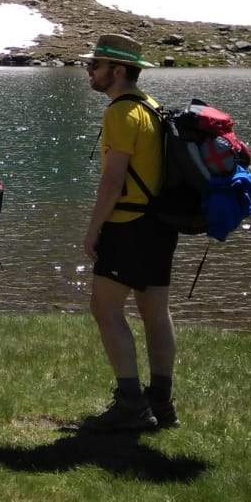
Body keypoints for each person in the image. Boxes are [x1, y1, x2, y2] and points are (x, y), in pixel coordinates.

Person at [80, 34, 177, 431]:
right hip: (158, 225)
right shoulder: (151, 107)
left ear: (117, 71)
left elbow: (112, 181)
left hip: (127, 226)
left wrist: (93, 229)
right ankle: (162, 403)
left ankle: (132, 405)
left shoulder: (120, 113)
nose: (89, 71)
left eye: (96, 66)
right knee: (155, 312)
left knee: (105, 309)